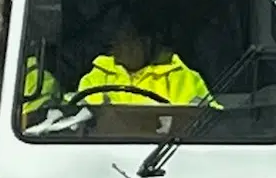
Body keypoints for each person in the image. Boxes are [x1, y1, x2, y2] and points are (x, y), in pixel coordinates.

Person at [76, 11, 218, 107]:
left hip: (168, 148)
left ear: (146, 41)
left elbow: (211, 121)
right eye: (113, 41)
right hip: (103, 150)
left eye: (124, 39)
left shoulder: (181, 77)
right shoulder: (97, 76)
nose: (115, 48)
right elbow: (73, 118)